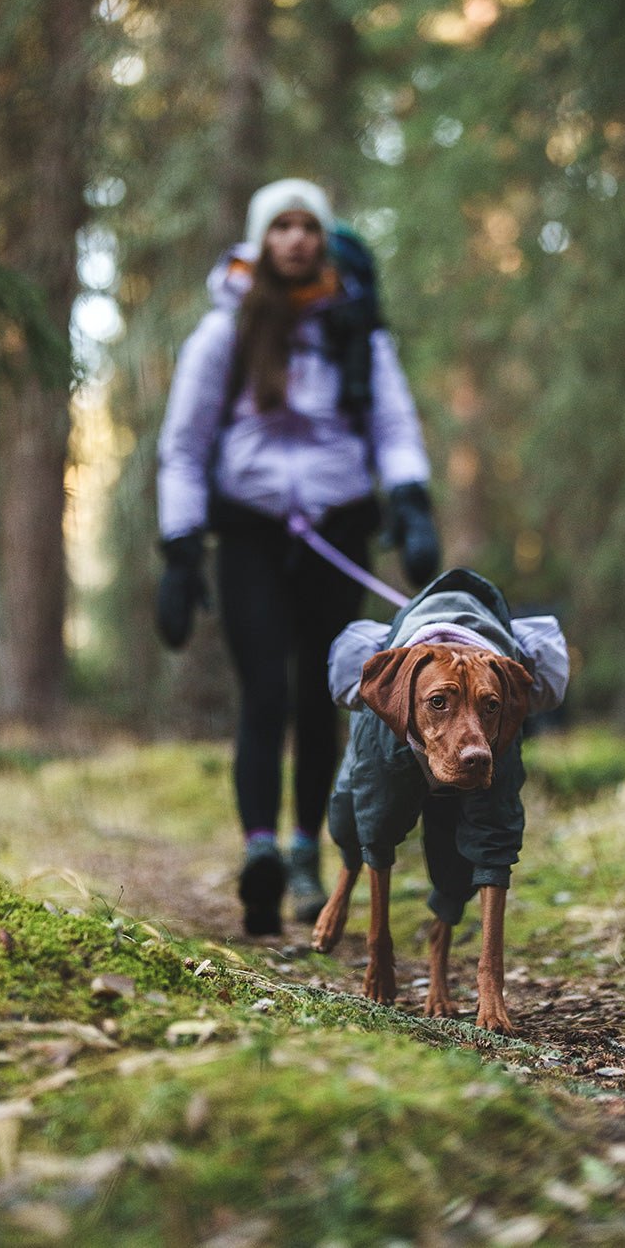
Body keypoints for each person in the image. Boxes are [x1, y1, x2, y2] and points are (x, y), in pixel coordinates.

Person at [156, 178, 439, 936]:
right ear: (259, 240)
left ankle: (305, 851)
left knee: (323, 696)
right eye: (279, 226)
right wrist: (180, 550)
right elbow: (182, 448)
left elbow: (395, 428)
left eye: (306, 225)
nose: (295, 239)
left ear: (322, 237)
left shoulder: (358, 332)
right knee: (264, 693)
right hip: (247, 533)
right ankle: (260, 854)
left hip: (338, 529)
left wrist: (412, 505)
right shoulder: (224, 333)